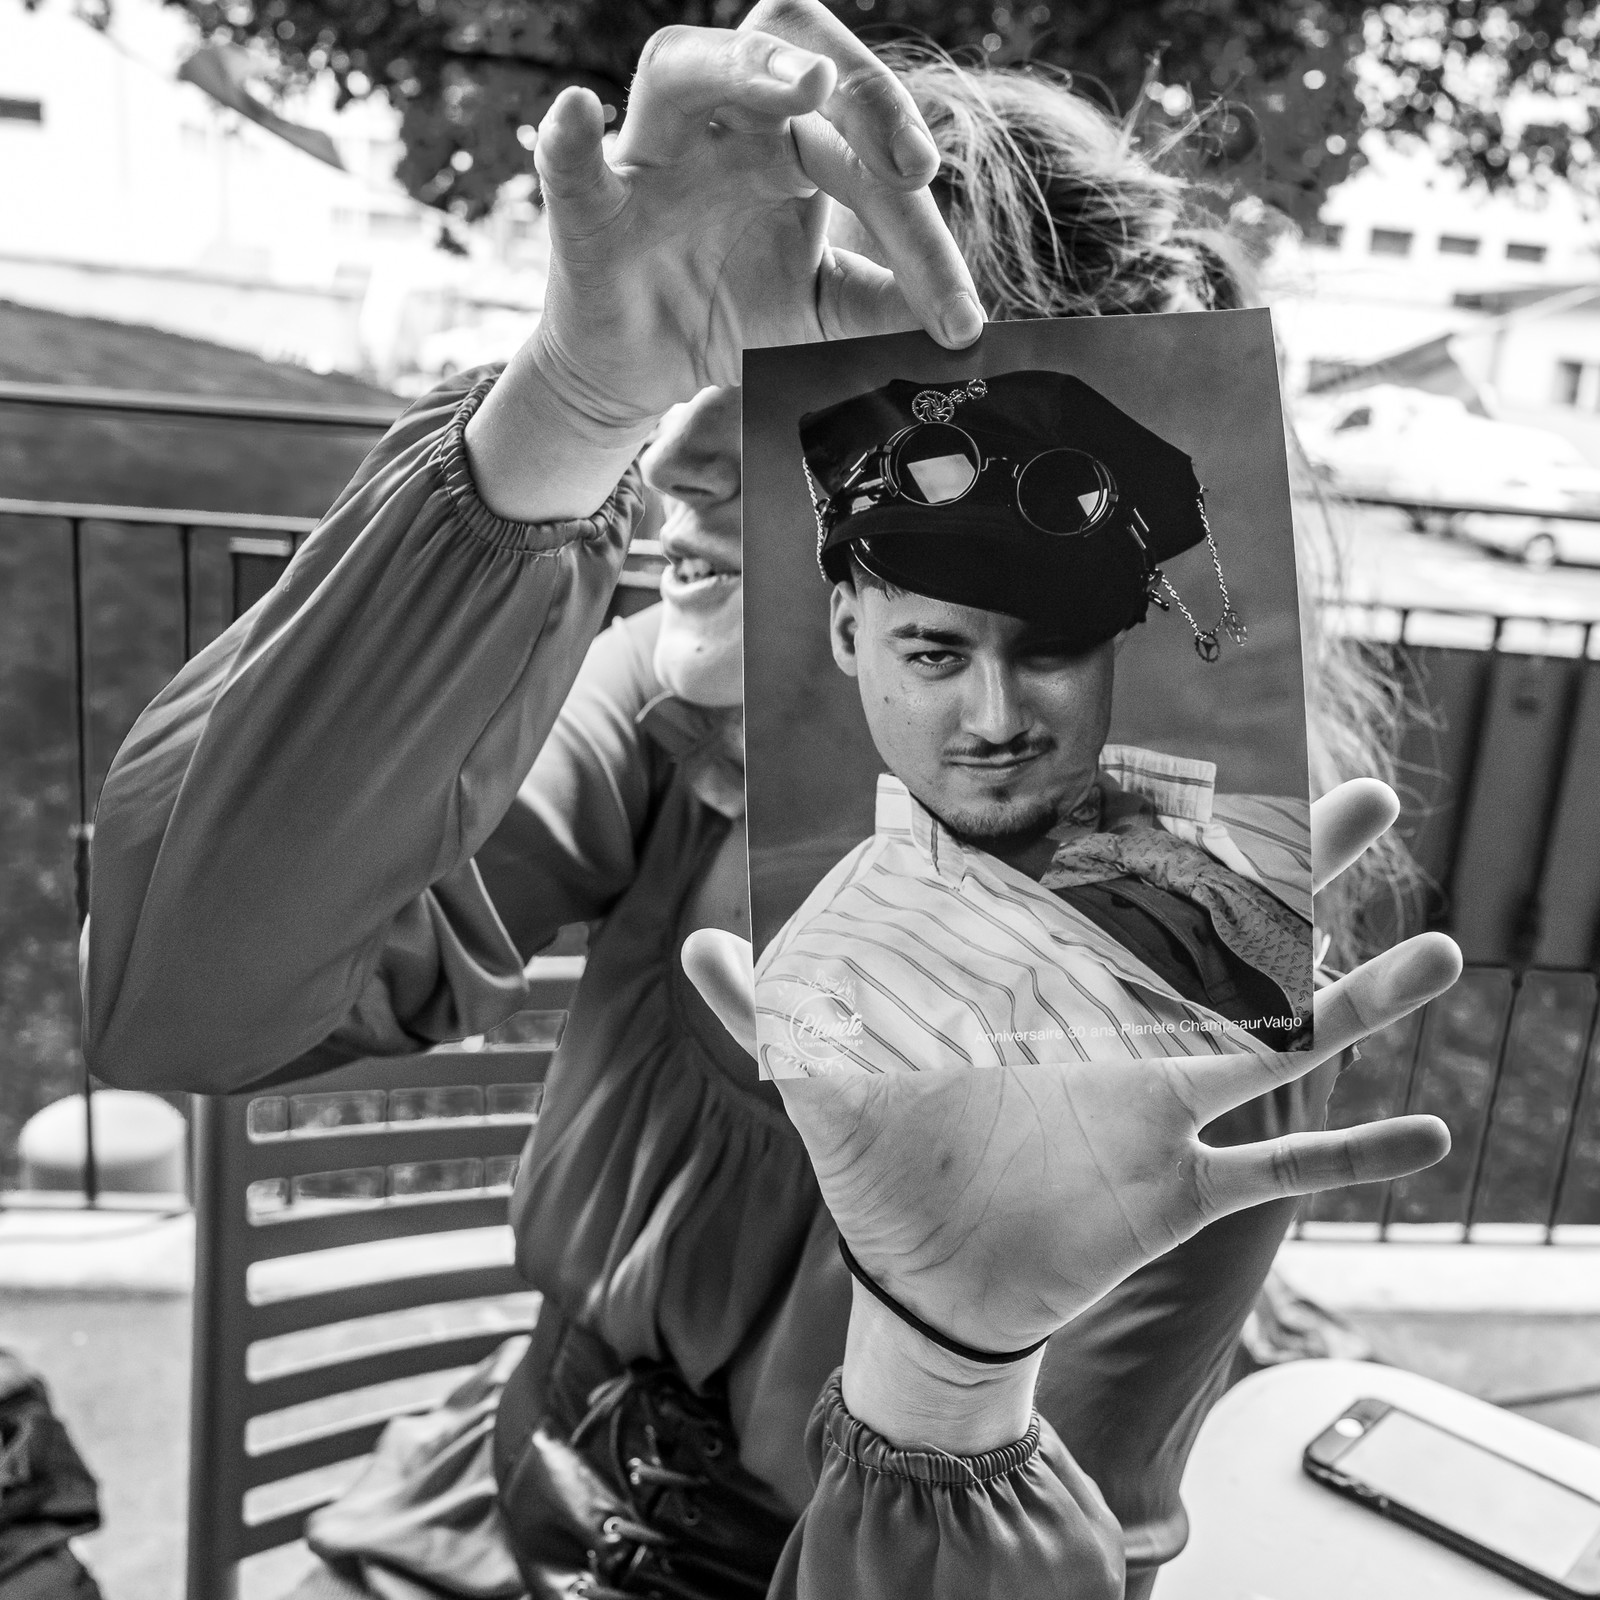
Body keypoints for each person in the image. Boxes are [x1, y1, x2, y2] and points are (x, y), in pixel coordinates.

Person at [81, 10, 1461, 1598]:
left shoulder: (1193, 966)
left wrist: (948, 1383)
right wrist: (568, 394)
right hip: (474, 1528)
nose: (673, 461)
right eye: (701, 370)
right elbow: (174, 1005)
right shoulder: (679, 718)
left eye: (801, 401)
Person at [755, 365, 1312, 1080]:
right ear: (847, 634)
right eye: (933, 656)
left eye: (1049, 651)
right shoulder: (835, 1003)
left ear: (1118, 632)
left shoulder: (1291, 836)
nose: (996, 724)